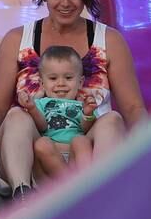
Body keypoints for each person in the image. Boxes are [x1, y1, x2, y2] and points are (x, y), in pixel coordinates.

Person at [0, 0, 146, 201]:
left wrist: (147, 144)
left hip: (87, 157)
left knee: (113, 119)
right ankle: (23, 193)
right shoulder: (16, 40)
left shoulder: (109, 40)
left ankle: (99, 192)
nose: (65, 3)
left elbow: (133, 108)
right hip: (36, 159)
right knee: (15, 115)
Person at [18, 46, 98, 177]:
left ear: (80, 82)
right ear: (42, 84)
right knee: (41, 144)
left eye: (68, 77)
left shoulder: (82, 104)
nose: (61, 83)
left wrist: (88, 113)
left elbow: (86, 129)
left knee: (81, 140)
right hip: (51, 157)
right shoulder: (42, 103)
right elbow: (42, 126)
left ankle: (88, 183)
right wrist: (31, 108)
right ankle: (69, 184)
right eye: (53, 78)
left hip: (75, 156)